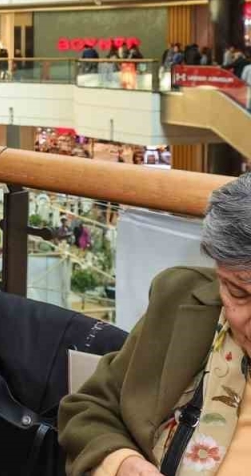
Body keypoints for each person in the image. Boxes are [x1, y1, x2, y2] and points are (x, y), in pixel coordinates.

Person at [60, 174, 251, 476]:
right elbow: (91, 408)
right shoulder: (180, 298)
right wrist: (122, 463)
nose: (244, 321)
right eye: (237, 292)